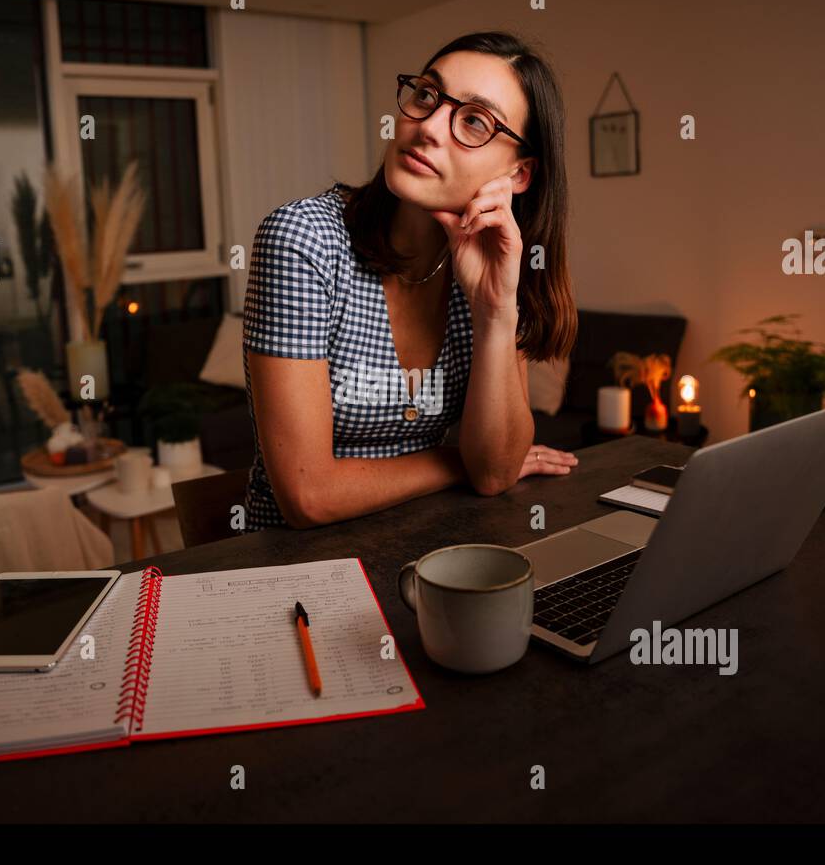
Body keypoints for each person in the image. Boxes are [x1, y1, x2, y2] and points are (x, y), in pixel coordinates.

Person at [242, 30, 578, 531]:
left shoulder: (498, 260)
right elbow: (308, 495)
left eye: (474, 121)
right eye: (426, 95)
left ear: (520, 174)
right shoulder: (304, 239)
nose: (429, 128)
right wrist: (454, 462)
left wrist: (495, 311)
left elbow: (495, 474)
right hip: (296, 572)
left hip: (427, 546)